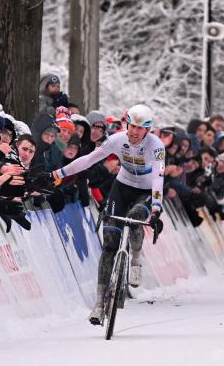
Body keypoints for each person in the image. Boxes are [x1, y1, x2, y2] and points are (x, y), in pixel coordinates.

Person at [50, 104, 164, 325]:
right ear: (127, 124)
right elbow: (88, 160)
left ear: (148, 131)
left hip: (146, 191)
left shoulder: (156, 146)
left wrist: (157, 206)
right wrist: (60, 172)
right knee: (110, 244)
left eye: (140, 129)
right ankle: (100, 303)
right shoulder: (117, 140)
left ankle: (136, 257)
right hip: (121, 186)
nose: (134, 132)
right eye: (131, 126)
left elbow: (159, 177)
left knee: (136, 216)